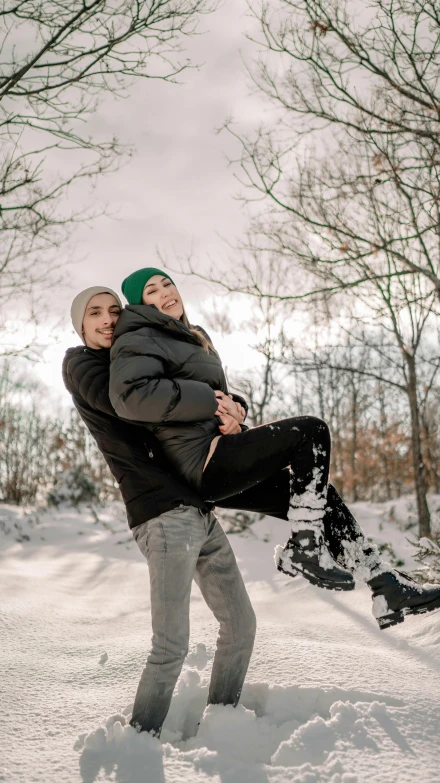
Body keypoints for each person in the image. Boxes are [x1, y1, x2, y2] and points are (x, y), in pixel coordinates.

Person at [109, 267, 440, 631]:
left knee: (320, 499)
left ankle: (385, 585)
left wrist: (235, 410)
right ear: (139, 304)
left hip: (219, 451)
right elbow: (134, 397)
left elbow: (206, 393)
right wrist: (211, 402)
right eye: (152, 290)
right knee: (310, 432)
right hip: (200, 463)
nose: (165, 291)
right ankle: (305, 545)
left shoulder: (190, 336)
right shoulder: (139, 337)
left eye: (167, 283)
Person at [62, 286, 257, 739]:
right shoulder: (84, 365)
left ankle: (223, 719)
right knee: (171, 646)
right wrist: (203, 397)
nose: (108, 319)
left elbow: (184, 386)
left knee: (241, 624)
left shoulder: (133, 359)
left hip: (196, 508)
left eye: (115, 311)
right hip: (159, 511)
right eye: (95, 313)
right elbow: (128, 404)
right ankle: (139, 741)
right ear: (81, 325)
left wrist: (233, 406)